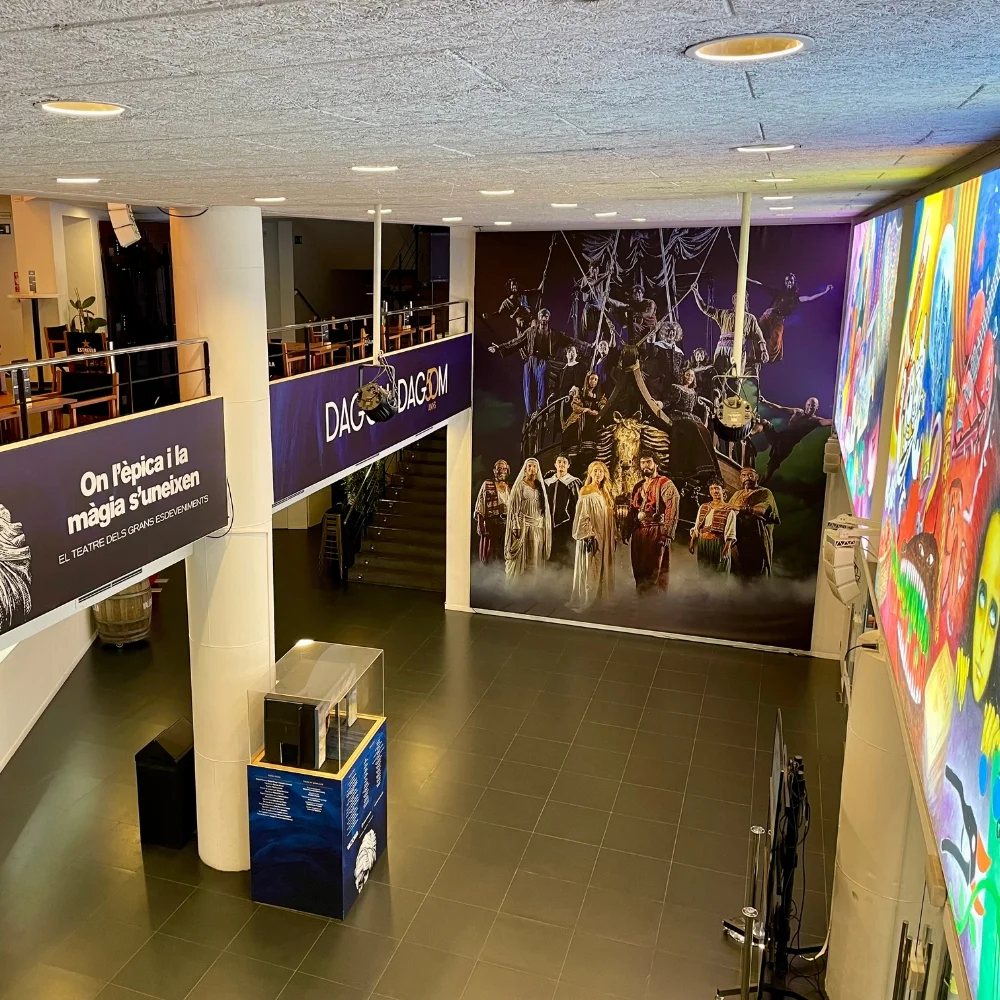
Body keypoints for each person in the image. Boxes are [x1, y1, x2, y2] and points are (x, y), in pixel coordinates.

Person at [624, 452, 680, 592]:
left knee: (655, 569)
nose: (645, 466)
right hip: (639, 532)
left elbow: (672, 506)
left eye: (648, 462)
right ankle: (641, 600)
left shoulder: (665, 483)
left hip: (656, 531)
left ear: (656, 464)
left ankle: (655, 601)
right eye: (642, 463)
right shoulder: (638, 486)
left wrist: (667, 533)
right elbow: (632, 509)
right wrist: (627, 529)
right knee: (639, 570)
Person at [749, 273, 835, 363]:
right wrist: (748, 280)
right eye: (787, 281)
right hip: (769, 316)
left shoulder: (795, 298)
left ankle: (765, 357)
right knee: (759, 332)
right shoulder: (778, 293)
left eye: (791, 281)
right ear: (785, 282)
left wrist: (825, 292)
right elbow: (761, 285)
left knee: (776, 339)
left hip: (779, 320)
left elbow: (810, 298)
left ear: (794, 283)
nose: (789, 283)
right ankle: (754, 355)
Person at [489, 308, 559, 417]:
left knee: (542, 377)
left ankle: (541, 407)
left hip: (542, 360)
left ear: (548, 318)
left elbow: (569, 340)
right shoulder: (530, 332)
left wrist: (586, 347)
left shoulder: (552, 333)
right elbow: (515, 342)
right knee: (528, 387)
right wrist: (499, 347)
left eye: (546, 316)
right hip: (530, 360)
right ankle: (531, 413)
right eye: (542, 316)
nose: (543, 319)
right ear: (538, 318)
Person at [691, 283, 768, 377]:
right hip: (721, 347)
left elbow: (759, 336)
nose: (739, 300)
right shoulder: (724, 314)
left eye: (742, 298)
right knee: (717, 375)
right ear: (733, 300)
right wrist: (696, 292)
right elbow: (704, 308)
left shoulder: (750, 318)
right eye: (737, 298)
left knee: (736, 377)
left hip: (737, 348)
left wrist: (764, 351)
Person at [569, 461, 617, 610]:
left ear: (604, 474)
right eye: (595, 471)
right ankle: (588, 598)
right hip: (592, 535)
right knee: (591, 565)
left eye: (601, 471)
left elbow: (610, 516)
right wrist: (588, 534)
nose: (598, 474)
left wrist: (614, 534)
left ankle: (600, 599)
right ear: (590, 473)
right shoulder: (586, 490)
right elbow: (582, 514)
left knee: (602, 564)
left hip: (605, 535)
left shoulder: (605, 492)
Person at [758, 395, 833, 482]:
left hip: (784, 447)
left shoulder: (815, 420)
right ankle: (750, 433)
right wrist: (765, 402)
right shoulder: (798, 412)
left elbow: (829, 421)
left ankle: (758, 486)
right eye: (809, 405)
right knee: (764, 422)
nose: (810, 407)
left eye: (813, 406)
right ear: (806, 404)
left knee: (770, 469)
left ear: (817, 407)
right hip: (778, 437)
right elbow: (780, 408)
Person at [505, 458, 552, 579]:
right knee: (523, 558)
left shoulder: (540, 487)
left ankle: (533, 584)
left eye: (534, 466)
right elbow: (514, 508)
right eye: (529, 466)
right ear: (525, 469)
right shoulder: (520, 486)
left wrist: (544, 526)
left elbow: (544, 509)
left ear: (537, 469)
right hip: (524, 526)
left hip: (538, 527)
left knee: (536, 556)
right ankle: (520, 585)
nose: (532, 469)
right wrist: (515, 525)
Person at [729, 466, 780, 578]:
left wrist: (742, 509)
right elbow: (729, 511)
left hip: (756, 538)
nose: (747, 478)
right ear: (740, 478)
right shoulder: (737, 494)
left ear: (756, 477)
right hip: (738, 538)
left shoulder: (764, 492)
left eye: (750, 475)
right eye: (744, 475)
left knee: (756, 572)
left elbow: (761, 510)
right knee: (737, 571)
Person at [689, 479, 736, 572]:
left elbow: (730, 532)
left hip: (718, 543)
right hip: (703, 542)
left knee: (720, 570)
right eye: (711, 489)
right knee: (704, 570)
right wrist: (692, 542)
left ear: (723, 490)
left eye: (717, 488)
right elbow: (697, 526)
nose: (714, 491)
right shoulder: (703, 507)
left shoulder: (729, 510)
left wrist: (726, 548)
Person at [545, 455, 582, 566]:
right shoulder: (547, 482)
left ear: (568, 465)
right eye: (559, 461)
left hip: (566, 524)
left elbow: (578, 505)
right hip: (547, 524)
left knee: (564, 556)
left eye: (564, 462)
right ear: (555, 464)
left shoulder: (573, 482)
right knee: (549, 554)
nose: (561, 464)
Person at [474, 459, 510, 564]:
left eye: (504, 468)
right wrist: (480, 524)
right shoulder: (487, 484)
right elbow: (480, 505)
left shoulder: (510, 486)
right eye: (499, 468)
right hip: (491, 522)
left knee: (504, 552)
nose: (501, 471)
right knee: (490, 552)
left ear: (507, 471)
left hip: (506, 523)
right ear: (494, 470)